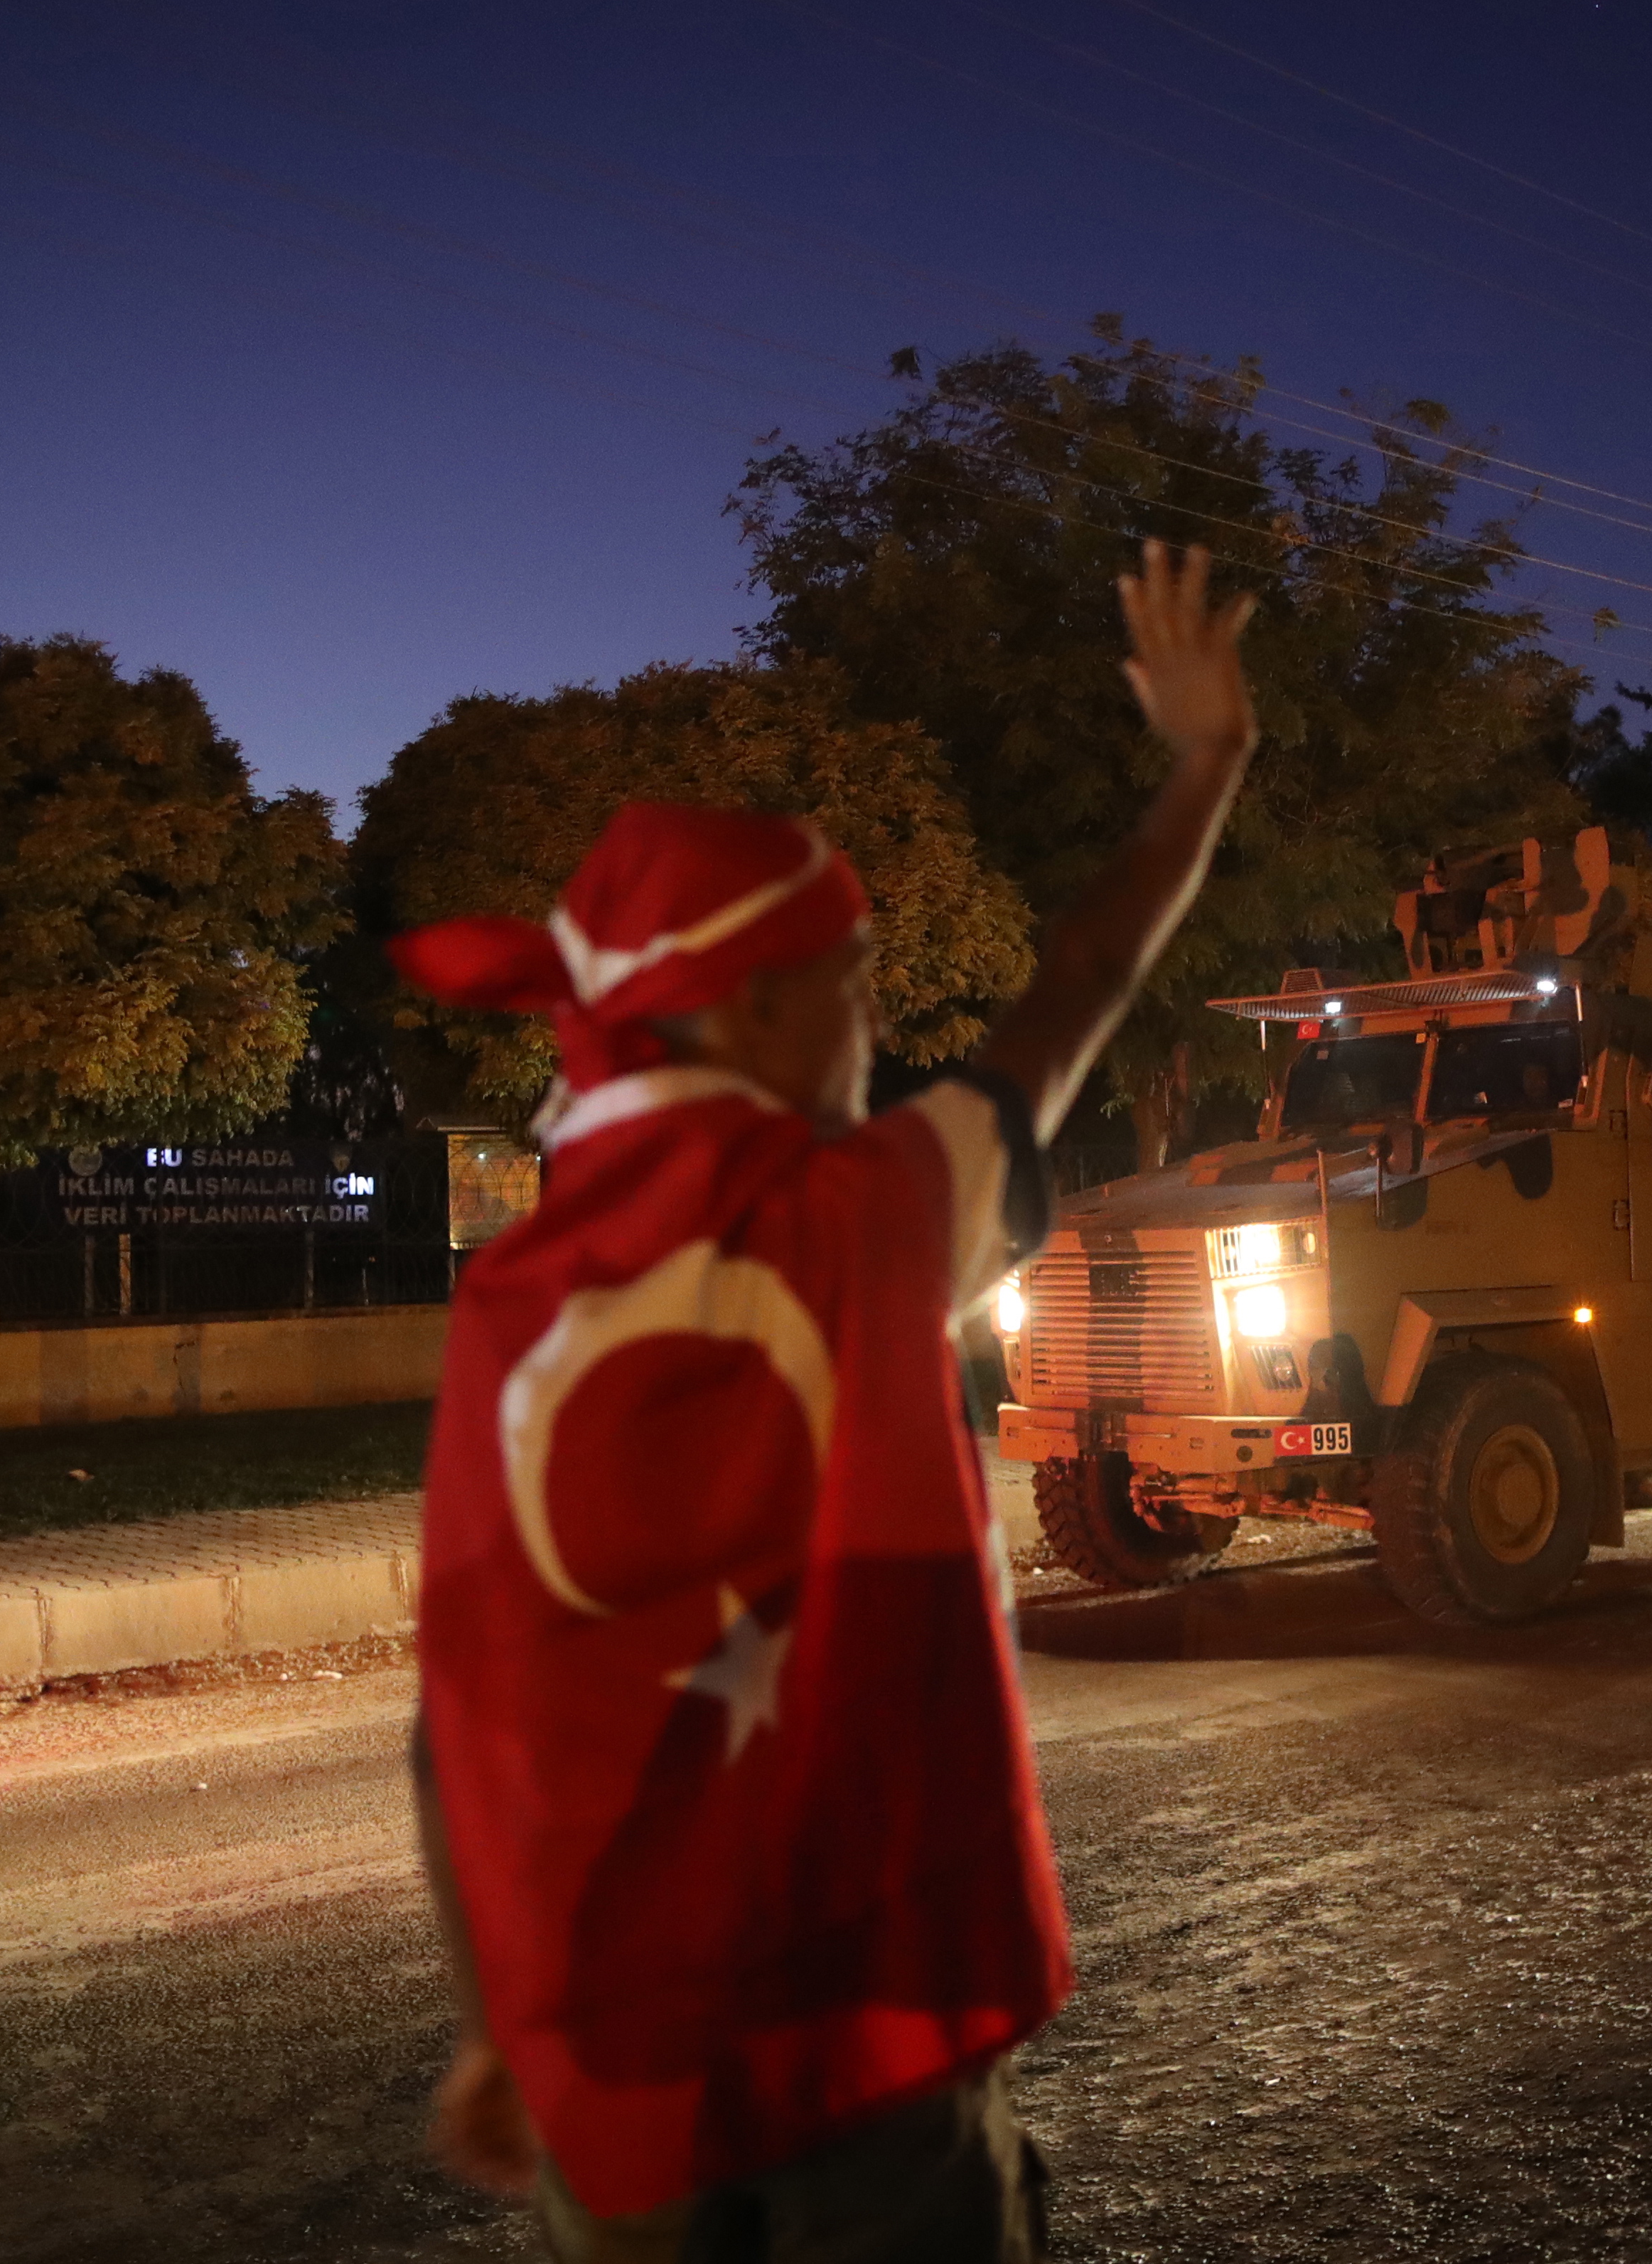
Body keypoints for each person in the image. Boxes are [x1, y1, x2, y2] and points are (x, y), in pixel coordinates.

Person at [392, 542, 1257, 2261]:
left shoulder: (504, 1303)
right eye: (855, 981)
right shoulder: (858, 1218)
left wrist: (497, 2010)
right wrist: (1207, 756)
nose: (875, 1024)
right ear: (759, 1005)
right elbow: (1080, 978)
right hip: (860, 2028)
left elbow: (452, 1709)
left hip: (614, 2068)